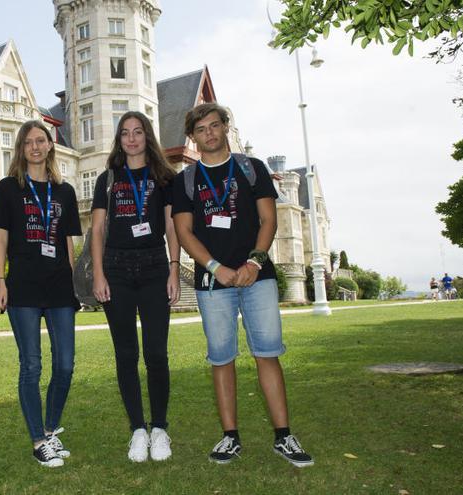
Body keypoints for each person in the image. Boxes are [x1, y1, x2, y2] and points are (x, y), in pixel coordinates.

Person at [171, 103, 313, 467]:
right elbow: (184, 233)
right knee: (222, 359)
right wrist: (216, 267)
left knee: (268, 353)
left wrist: (254, 261)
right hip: (211, 281)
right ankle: (230, 437)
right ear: (193, 136)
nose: (209, 133)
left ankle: (284, 436)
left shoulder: (252, 169)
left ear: (225, 128)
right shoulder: (185, 180)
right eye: (201, 129)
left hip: (257, 277)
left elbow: (268, 220)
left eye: (215, 126)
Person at [0, 120, 82, 468]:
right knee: (31, 365)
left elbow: (69, 242)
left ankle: (51, 428)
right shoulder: (9, 188)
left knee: (66, 364)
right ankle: (39, 441)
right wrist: (1, 280)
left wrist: (73, 284)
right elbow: (1, 238)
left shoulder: (65, 191)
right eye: (29, 143)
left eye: (41, 141)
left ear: (50, 145)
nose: (36, 147)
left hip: (58, 286)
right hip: (23, 286)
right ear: (21, 149)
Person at [90, 111, 181, 462]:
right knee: (126, 354)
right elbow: (97, 229)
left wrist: (174, 269)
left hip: (156, 266)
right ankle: (137, 430)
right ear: (119, 138)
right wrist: (99, 274)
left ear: (147, 137)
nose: (131, 139)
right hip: (116, 267)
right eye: (125, 133)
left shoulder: (164, 178)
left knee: (156, 352)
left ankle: (159, 428)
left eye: (138, 132)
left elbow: (172, 227)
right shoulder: (108, 179)